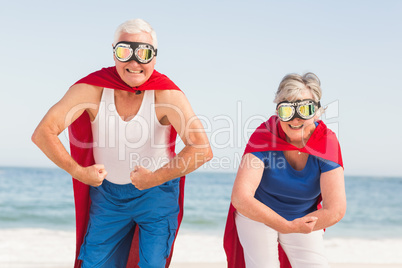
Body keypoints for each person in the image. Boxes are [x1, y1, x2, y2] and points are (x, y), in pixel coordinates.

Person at [32, 18, 212, 268]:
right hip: (108, 195)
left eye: (144, 53)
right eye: (125, 51)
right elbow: (44, 132)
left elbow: (202, 149)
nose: (134, 62)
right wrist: (78, 171)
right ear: (114, 53)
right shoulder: (92, 89)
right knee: (93, 264)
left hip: (156, 193)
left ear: (155, 58)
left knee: (151, 264)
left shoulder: (167, 94)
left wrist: (154, 178)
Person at [223, 72, 346, 268]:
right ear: (278, 111)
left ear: (317, 112)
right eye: (287, 110)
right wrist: (285, 226)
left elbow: (336, 209)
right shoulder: (265, 134)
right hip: (258, 214)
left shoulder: (326, 142)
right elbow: (241, 197)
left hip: (304, 217)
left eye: (304, 109)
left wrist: (296, 226)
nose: (295, 119)